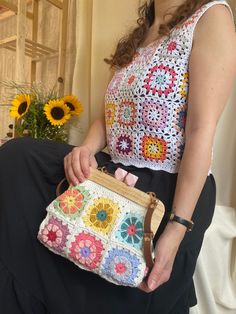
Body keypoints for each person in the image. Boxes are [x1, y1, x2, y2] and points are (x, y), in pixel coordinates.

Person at [0, 0, 235, 313]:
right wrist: (85, 148)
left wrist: (177, 228)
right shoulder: (140, 36)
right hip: (117, 175)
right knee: (18, 157)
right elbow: (106, 116)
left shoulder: (212, 16)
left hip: (167, 190)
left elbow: (200, 133)